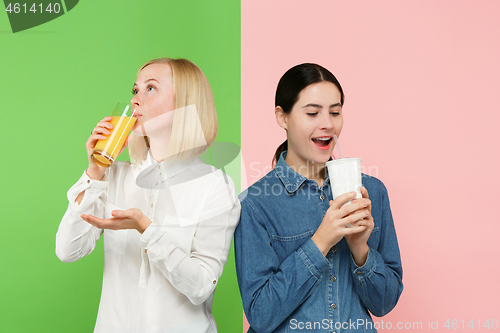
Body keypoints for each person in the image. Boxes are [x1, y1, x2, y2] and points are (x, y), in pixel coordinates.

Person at [56, 58, 241, 333]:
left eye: (150, 89)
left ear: (185, 104)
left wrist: (147, 229)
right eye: (135, 90)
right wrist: (94, 171)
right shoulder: (115, 175)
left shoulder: (215, 185)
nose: (136, 100)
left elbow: (201, 286)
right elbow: (67, 250)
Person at [235, 63, 403, 333]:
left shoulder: (373, 192)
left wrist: (361, 250)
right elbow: (261, 315)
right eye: (312, 112)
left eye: (335, 112)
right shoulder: (255, 204)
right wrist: (321, 241)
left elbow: (385, 303)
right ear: (282, 117)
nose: (328, 124)